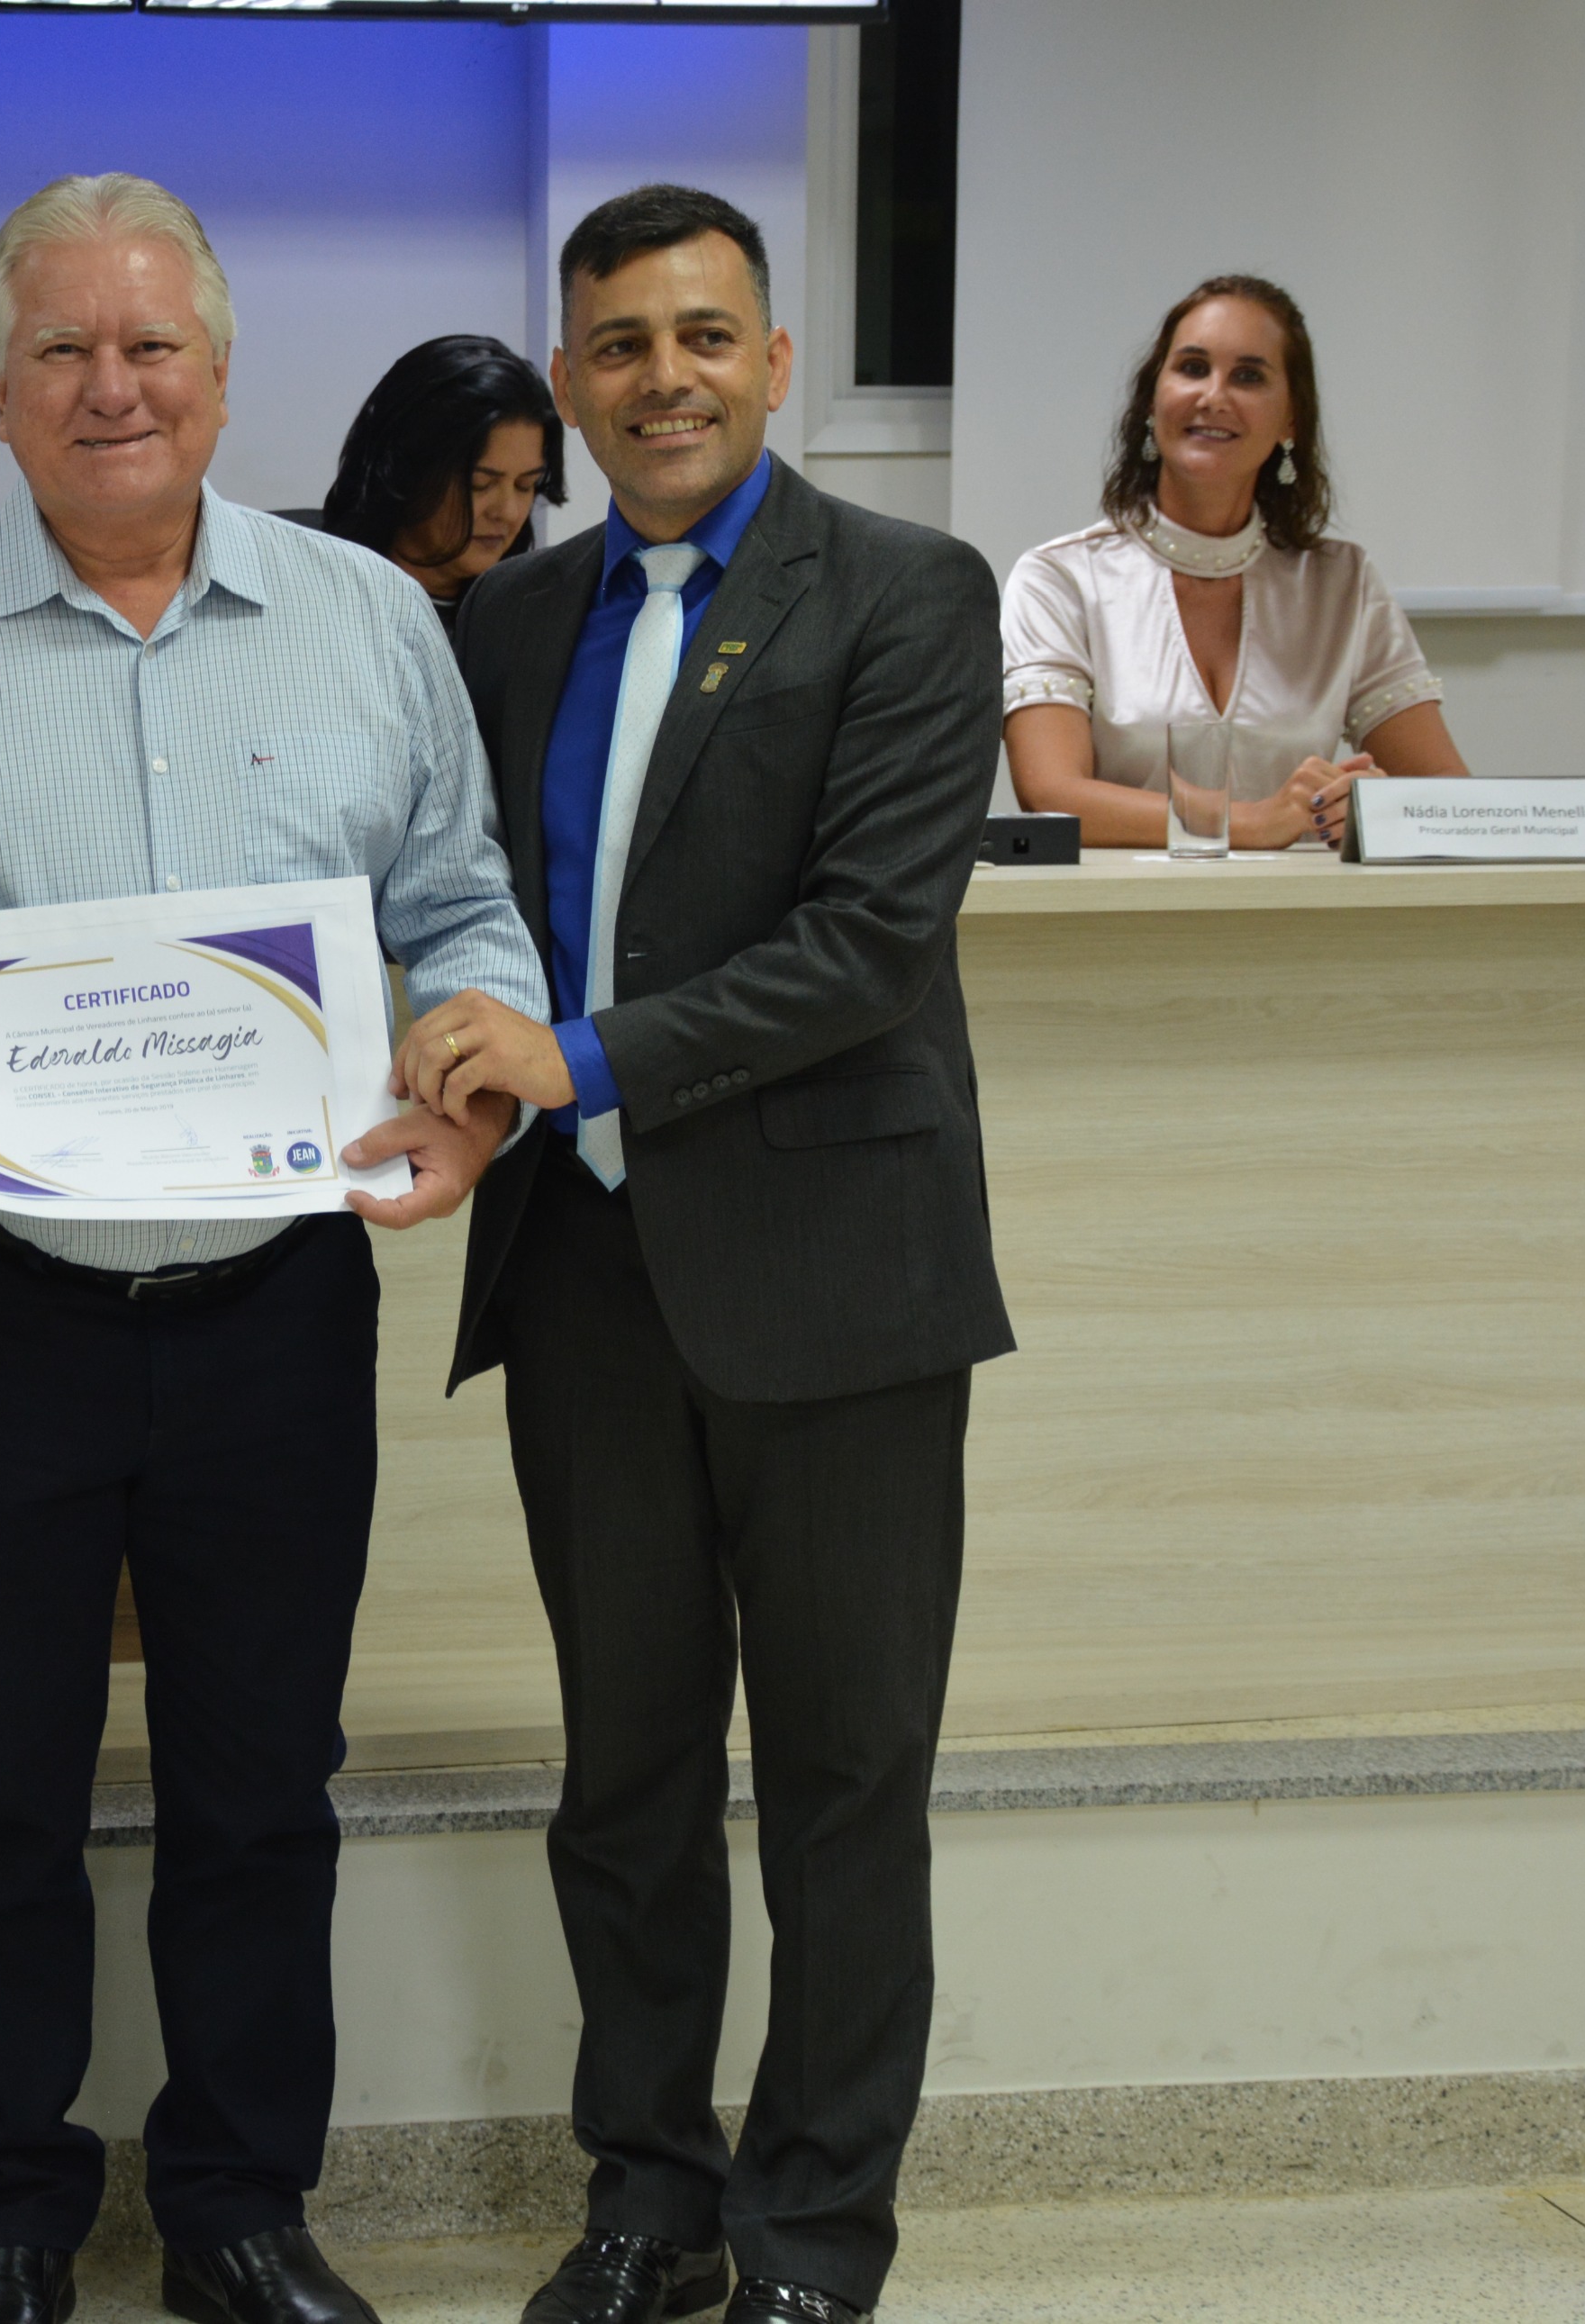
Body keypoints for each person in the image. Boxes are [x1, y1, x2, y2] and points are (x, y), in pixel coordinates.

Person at [0, 172, 545, 2324]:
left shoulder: (368, 622)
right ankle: (3, 2213)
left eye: (151, 346)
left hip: (275, 1301)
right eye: (64, 351)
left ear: (221, 377)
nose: (113, 387)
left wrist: (472, 1081)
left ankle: (238, 2207)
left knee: (261, 1781)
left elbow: (461, 910)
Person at [395, 184, 1012, 2324]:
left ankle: (811, 2237)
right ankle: (646, 2199)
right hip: (583, 1276)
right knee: (627, 1782)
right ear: (569, 384)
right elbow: (456, 907)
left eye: (702, 335)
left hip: (838, 1274)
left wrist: (564, 1058)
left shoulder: (910, 594)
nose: (663, 376)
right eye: (619, 344)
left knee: (844, 1784)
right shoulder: (506, 621)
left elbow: (865, 945)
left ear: (773, 360)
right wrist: (427, 1064)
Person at [1001, 274, 1468, 851]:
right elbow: (1050, 794)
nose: (1213, 396)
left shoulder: (1342, 583)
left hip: (1299, 907)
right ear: (1153, 399)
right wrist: (1250, 823)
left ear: (1291, 420)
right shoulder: (1060, 579)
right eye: (1193, 368)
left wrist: (1379, 806)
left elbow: (1448, 790)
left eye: (1248, 376)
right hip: (1119, 905)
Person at [318, 334, 564, 635]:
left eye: (526, 485)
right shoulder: (315, 600)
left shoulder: (532, 625)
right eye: (480, 484)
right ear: (404, 468)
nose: (508, 512)